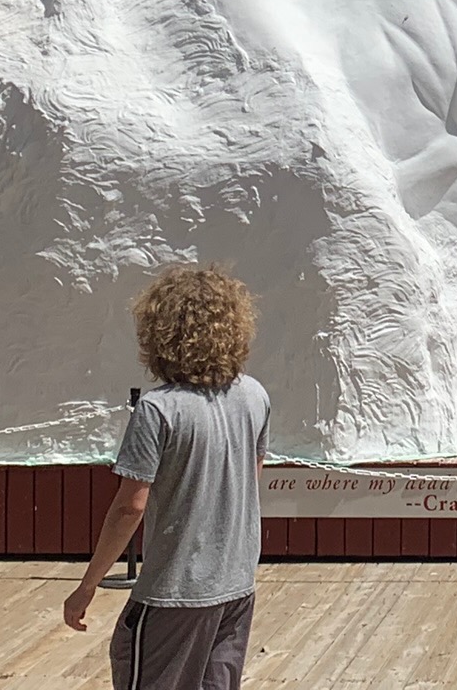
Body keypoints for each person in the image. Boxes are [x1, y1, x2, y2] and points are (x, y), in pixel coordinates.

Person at [65, 264, 272, 690]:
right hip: (236, 584)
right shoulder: (254, 395)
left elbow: (130, 506)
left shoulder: (159, 409)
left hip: (175, 590)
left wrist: (87, 585)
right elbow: (251, 481)